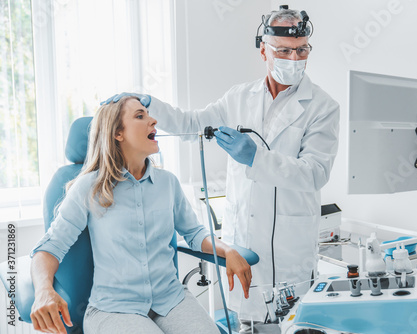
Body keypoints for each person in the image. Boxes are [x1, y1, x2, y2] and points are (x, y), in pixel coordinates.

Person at [105, 6, 339, 332]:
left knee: (292, 326)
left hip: (291, 252)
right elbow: (191, 125)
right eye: (284, 51)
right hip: (242, 242)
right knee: (249, 324)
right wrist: (150, 105)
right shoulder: (238, 98)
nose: (294, 58)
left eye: (302, 50)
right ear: (263, 51)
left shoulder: (323, 106)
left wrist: (256, 158)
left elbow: (315, 173)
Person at [29, 96, 252, 334]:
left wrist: (228, 250)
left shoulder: (167, 183)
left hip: (171, 300)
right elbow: (50, 247)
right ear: (118, 133)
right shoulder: (89, 187)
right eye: (140, 116)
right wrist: (43, 290)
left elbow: (194, 232)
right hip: (114, 309)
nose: (153, 120)